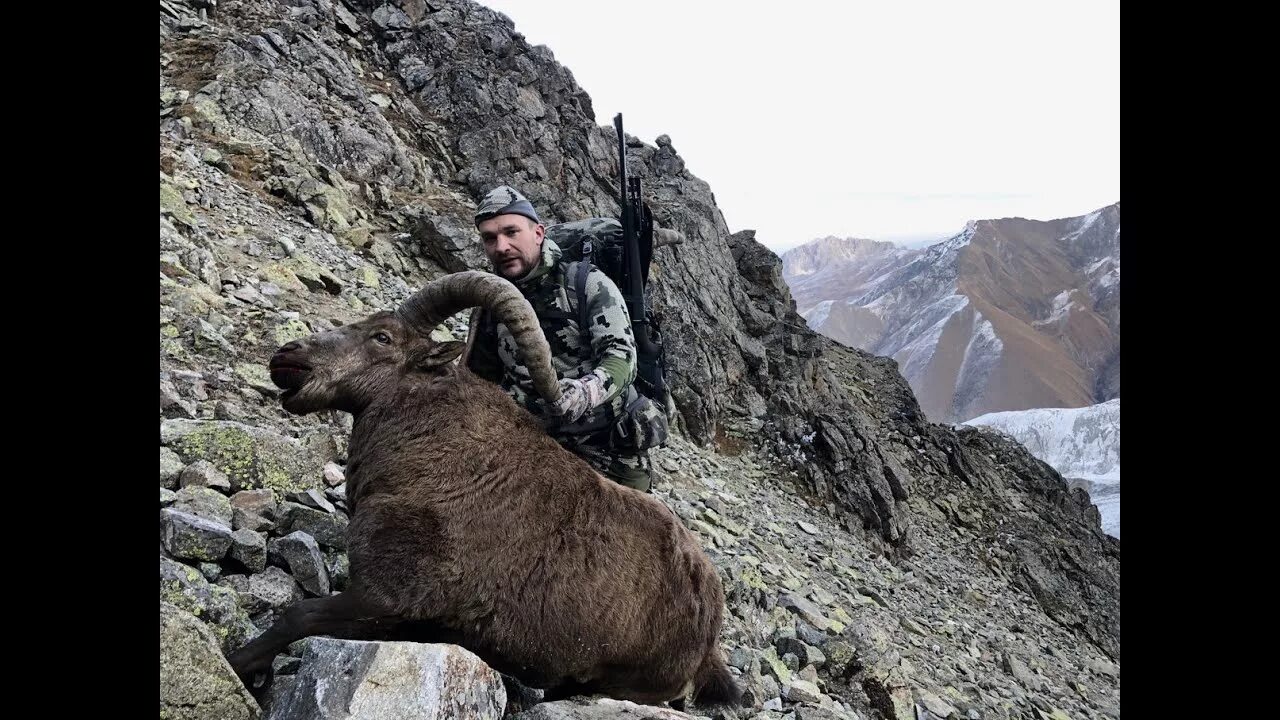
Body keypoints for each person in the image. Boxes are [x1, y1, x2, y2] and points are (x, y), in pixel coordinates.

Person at [462, 185, 654, 492]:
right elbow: (478, 384)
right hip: (532, 448)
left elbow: (622, 357)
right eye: (490, 238)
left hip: (605, 448)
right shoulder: (488, 305)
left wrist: (584, 392)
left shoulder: (586, 283)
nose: (501, 246)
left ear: (538, 233)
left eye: (511, 232)